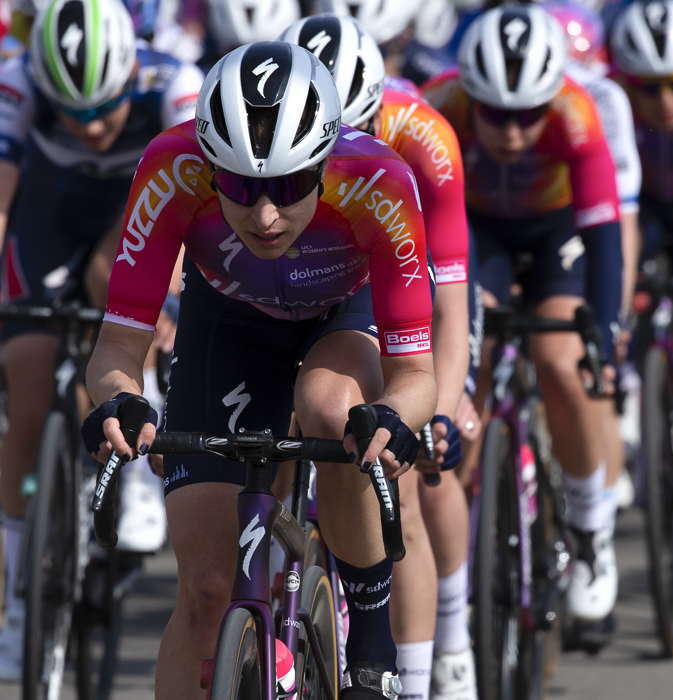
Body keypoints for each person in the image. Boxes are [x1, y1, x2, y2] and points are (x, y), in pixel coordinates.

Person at [82, 41, 438, 700]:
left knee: (332, 407)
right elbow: (116, 353)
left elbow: (417, 372)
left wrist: (394, 416)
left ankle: (370, 633)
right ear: (211, 169)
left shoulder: (382, 184)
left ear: (327, 162)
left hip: (339, 316)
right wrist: (120, 400)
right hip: (230, 324)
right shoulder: (171, 168)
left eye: (292, 185)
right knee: (207, 593)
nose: (266, 215)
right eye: (241, 188)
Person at [0, 0, 203, 679]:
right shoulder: (20, 77)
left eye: (103, 111)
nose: (89, 127)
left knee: (108, 274)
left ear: (131, 76)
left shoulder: (172, 82)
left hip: (137, 217)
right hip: (49, 214)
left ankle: (138, 438)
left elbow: (193, 207)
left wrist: (169, 299)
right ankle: (22, 600)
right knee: (25, 375)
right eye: (72, 113)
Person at [281, 14, 474, 700]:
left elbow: (448, 302)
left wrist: (440, 412)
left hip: (390, 291)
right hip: (285, 295)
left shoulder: (422, 137)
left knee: (407, 484)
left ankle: (424, 673)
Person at [423, 3, 623, 651]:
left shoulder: (575, 112)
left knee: (559, 358)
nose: (511, 133)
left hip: (557, 227)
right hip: (478, 230)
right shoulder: (441, 105)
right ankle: (459, 526)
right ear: (469, 94)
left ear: (550, 99)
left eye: (526, 116)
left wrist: (607, 328)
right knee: (464, 362)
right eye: (496, 116)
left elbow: (603, 231)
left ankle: (592, 532)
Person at [545, 0, 642, 508]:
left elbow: (618, 221)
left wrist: (613, 323)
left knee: (574, 357)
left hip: (575, 219)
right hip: (511, 226)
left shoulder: (600, 100)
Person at [610, 0, 673, 382]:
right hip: (641, 203)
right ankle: (629, 368)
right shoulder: (610, 98)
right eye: (648, 88)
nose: (665, 101)